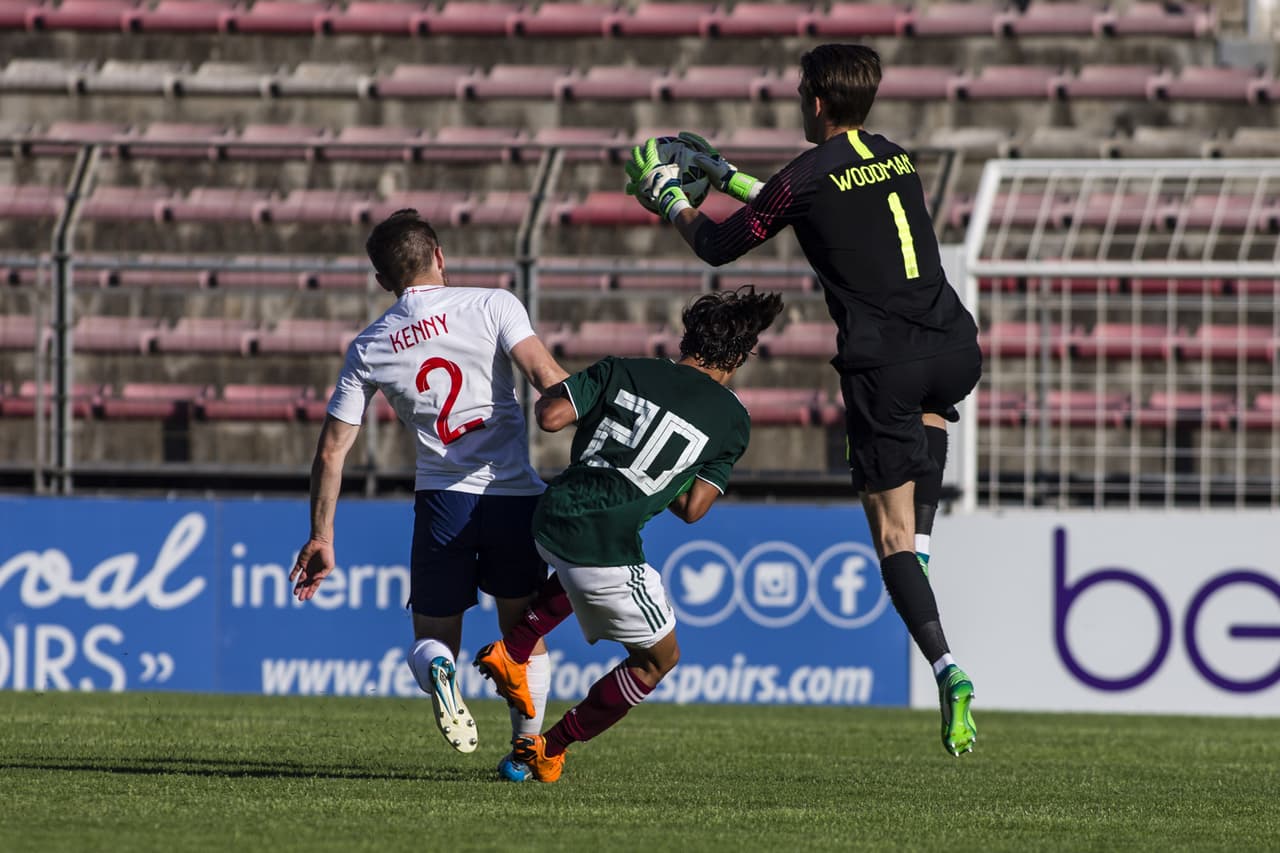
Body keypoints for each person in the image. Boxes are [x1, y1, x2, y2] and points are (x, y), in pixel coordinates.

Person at [625, 44, 982, 757]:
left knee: (889, 539)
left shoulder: (808, 174)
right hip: (954, 345)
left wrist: (672, 199)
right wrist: (725, 174)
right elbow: (816, 204)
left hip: (886, 363)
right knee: (931, 419)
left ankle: (948, 667)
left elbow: (724, 245)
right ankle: (928, 549)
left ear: (815, 100)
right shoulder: (895, 155)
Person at [289, 208, 568, 779]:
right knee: (522, 636)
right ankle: (525, 752)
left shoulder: (370, 345)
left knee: (433, 640)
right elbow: (546, 376)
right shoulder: (494, 304)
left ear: (382, 281)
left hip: (444, 500)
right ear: (439, 255)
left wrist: (321, 535)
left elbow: (331, 453)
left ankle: (443, 673)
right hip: (513, 495)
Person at [472, 286, 784, 783]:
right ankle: (548, 747)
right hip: (605, 539)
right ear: (741, 356)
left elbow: (551, 417)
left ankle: (516, 646)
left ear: (688, 337)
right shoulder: (733, 421)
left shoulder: (623, 367)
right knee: (660, 659)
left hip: (552, 517)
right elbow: (692, 509)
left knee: (580, 572)